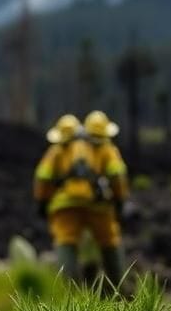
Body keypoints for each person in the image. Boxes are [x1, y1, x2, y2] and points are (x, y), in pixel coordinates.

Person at [33, 110, 129, 286]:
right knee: (109, 240)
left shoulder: (57, 150)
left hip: (65, 204)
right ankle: (119, 288)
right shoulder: (106, 149)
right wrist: (119, 200)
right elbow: (117, 176)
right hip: (98, 204)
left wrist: (42, 201)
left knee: (65, 240)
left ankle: (70, 292)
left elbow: (42, 177)